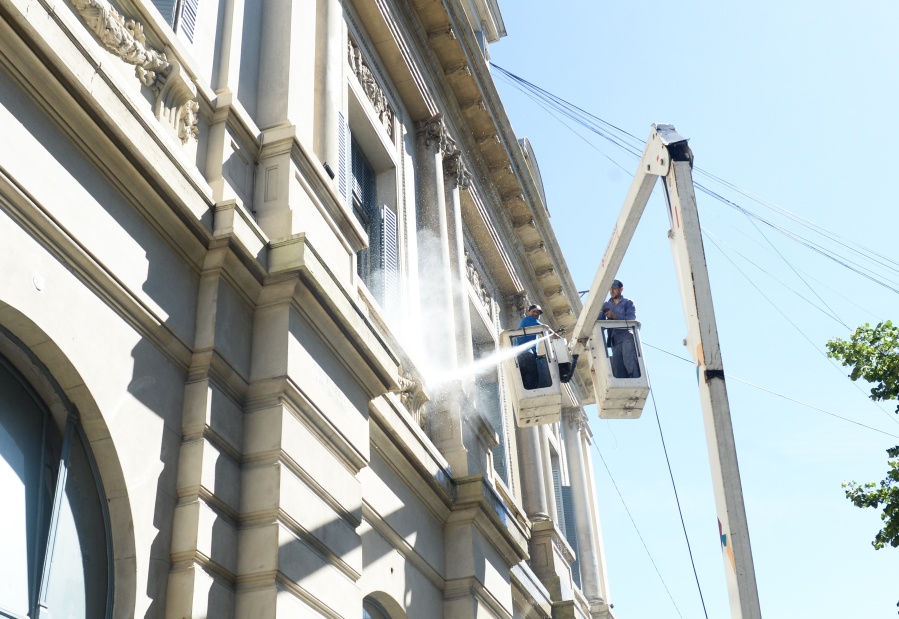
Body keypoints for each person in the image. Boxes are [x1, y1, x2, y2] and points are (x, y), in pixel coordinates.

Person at [598, 279, 641, 378]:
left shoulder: (628, 303)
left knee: (630, 363)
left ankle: (634, 383)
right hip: (614, 341)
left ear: (621, 289)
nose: (612, 291)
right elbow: (599, 320)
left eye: (614, 289)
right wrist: (599, 308)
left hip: (626, 338)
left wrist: (615, 316)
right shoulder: (606, 304)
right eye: (610, 289)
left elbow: (631, 319)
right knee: (618, 369)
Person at [516, 304, 544, 389]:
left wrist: (538, 356)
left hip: (522, 356)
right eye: (534, 311)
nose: (536, 313)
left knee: (525, 379)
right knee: (534, 379)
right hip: (526, 355)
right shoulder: (530, 319)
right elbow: (544, 328)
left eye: (538, 312)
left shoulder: (530, 325)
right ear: (528, 312)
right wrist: (557, 336)